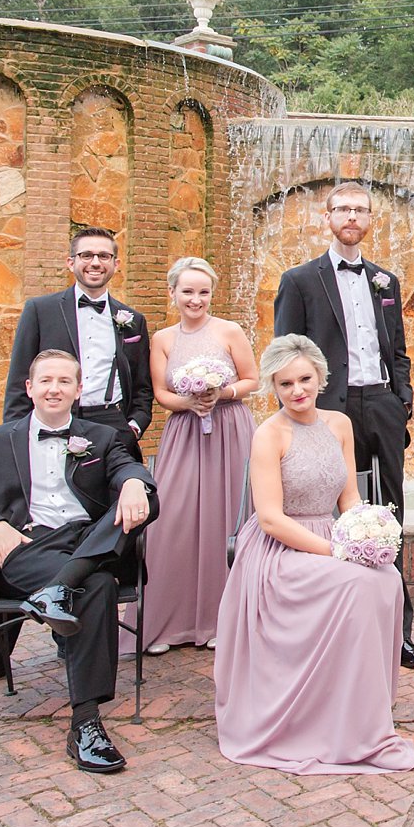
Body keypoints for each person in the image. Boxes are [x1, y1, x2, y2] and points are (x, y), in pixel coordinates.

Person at [0, 349, 157, 773]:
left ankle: (83, 715)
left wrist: (133, 481)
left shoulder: (103, 437)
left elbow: (129, 471)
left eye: (64, 381)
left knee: (141, 501)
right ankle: (87, 726)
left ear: (78, 390)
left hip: (85, 543)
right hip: (26, 547)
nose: (54, 388)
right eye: (46, 381)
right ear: (30, 388)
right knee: (96, 587)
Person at [213, 335, 414, 774]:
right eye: (285, 383)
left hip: (332, 537)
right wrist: (338, 551)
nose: (297, 391)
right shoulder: (269, 435)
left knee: (384, 579)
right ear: (274, 386)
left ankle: (360, 709)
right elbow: (269, 518)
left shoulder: (339, 424)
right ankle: (336, 721)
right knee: (358, 584)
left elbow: (348, 497)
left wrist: (368, 533)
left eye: (304, 379)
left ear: (320, 377)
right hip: (279, 552)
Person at [271, 181, 414, 668]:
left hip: (381, 404)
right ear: (328, 216)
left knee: (390, 510)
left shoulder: (386, 281)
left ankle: (398, 630)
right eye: (343, 209)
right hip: (328, 411)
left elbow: (397, 349)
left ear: (370, 218)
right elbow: (285, 354)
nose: (351, 216)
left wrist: (403, 401)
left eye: (360, 209)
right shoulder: (299, 280)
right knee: (337, 508)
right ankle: (339, 626)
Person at [127, 257, 258, 656]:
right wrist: (188, 401)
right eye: (187, 291)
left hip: (230, 430)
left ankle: (224, 619)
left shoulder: (230, 331)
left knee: (228, 517)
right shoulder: (164, 339)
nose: (195, 299)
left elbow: (252, 379)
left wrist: (222, 393)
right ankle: (172, 620)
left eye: (203, 292)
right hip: (185, 433)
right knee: (174, 519)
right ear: (173, 294)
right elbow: (161, 393)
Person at [3, 227, 153, 464]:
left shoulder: (134, 320)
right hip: (56, 421)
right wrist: (15, 436)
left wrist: (134, 425)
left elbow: (142, 386)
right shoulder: (40, 311)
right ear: (71, 263)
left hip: (114, 426)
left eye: (104, 256)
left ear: (116, 264)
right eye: (87, 255)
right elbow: (19, 380)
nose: (95, 263)